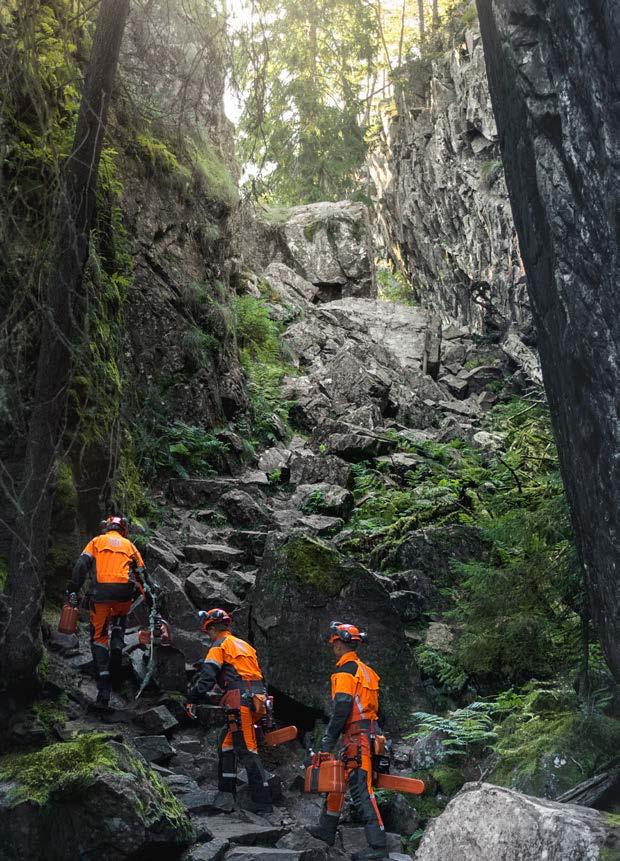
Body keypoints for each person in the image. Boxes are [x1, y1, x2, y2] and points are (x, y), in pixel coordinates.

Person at [308, 621, 386, 861]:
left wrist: (328, 740)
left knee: (362, 790)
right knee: (338, 782)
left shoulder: (345, 671)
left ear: (340, 643)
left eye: (334, 643)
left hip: (357, 738)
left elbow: (342, 707)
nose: (333, 647)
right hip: (368, 734)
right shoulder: (367, 672)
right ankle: (327, 829)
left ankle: (378, 845)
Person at [188, 608, 273, 815]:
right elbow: (256, 677)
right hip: (258, 700)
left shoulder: (219, 646)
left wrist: (192, 698)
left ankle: (263, 803)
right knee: (226, 745)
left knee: (247, 750)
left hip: (240, 702)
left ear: (211, 629)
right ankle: (226, 794)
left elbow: (207, 678)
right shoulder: (245, 646)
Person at [68, 515, 150, 706]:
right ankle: (116, 657)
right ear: (124, 530)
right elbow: (142, 575)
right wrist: (150, 599)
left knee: (99, 637)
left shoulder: (97, 541)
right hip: (123, 594)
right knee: (119, 625)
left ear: (107, 527)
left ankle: (104, 686)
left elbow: (81, 565)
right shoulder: (129, 546)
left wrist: (73, 588)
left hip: (101, 594)